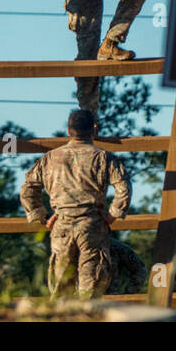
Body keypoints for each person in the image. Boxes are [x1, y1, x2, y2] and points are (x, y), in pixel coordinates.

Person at [20, 109, 131, 298]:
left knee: (62, 288)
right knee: (91, 288)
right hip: (92, 225)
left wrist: (42, 216)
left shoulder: (50, 158)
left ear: (69, 130)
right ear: (94, 130)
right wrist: (113, 213)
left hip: (61, 224)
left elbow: (28, 189)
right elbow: (123, 187)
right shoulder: (103, 157)